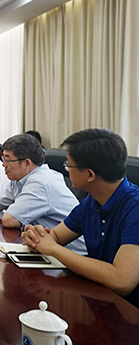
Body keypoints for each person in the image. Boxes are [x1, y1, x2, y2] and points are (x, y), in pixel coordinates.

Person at [22, 129, 139, 307]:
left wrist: (52, 249)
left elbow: (122, 281)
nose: (67, 171)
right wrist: (37, 236)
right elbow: (56, 236)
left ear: (90, 175)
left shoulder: (135, 208)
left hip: (129, 310)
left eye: (69, 165)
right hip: (98, 298)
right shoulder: (91, 202)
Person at [0, 134, 86, 252]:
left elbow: (10, 220)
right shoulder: (20, 177)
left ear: (26, 163)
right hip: (44, 247)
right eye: (3, 159)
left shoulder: (39, 182)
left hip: (69, 254)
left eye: (7, 160)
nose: (3, 165)